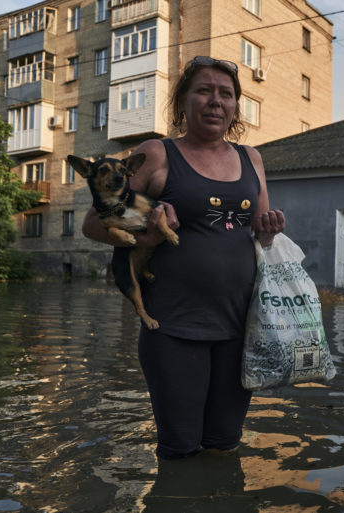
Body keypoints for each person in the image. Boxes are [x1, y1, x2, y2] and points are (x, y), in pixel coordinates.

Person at [82, 56, 285, 460]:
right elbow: (93, 223)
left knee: (225, 445)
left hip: (240, 326)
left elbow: (256, 234)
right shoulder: (157, 154)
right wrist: (147, 233)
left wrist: (266, 232)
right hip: (174, 326)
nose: (215, 101)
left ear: (235, 106)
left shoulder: (252, 159)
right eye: (204, 91)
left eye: (225, 94)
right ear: (184, 100)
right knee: (180, 449)